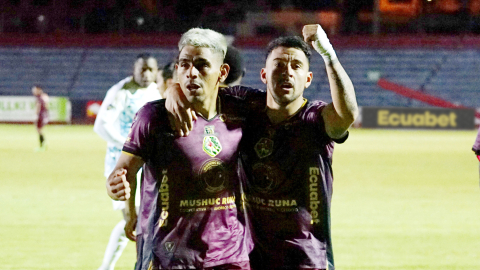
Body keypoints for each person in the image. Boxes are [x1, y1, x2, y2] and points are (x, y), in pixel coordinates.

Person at [165, 24, 358, 270]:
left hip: (307, 259)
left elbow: (347, 114)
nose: (286, 72)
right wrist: (173, 89)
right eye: (278, 64)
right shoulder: (245, 106)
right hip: (251, 257)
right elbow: (200, 90)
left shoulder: (315, 119)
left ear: (308, 79)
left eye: (296, 66)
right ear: (264, 75)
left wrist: (328, 54)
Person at [105, 28, 254, 270]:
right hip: (169, 256)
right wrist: (115, 187)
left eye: (202, 65)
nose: (191, 73)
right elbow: (123, 173)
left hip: (230, 256)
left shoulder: (243, 111)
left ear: (222, 72)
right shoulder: (153, 117)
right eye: (183, 64)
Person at [93, 53, 160, 270]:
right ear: (134, 69)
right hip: (121, 165)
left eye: (150, 69)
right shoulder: (121, 92)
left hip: (148, 166)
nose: (147, 74)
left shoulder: (154, 91)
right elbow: (101, 125)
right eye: (143, 69)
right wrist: (128, 145)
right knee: (135, 219)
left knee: (138, 219)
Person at [32, 85, 49, 151]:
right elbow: (46, 106)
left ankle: (42, 145)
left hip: (40, 116)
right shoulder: (44, 96)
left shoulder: (39, 98)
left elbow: (38, 107)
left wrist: (36, 115)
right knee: (39, 130)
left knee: (38, 130)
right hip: (44, 115)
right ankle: (43, 144)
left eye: (35, 90)